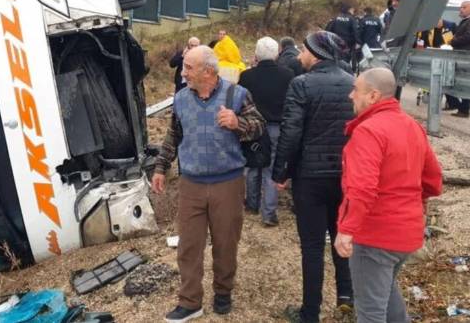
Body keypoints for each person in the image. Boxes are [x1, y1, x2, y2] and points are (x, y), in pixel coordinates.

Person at [152, 45, 265, 322]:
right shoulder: (180, 99)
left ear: (208, 71)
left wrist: (238, 122)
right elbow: (173, 136)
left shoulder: (237, 95)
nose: (183, 72)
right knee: (189, 245)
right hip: (191, 184)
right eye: (185, 67)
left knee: (226, 243)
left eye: (189, 67)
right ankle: (190, 301)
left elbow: (260, 125)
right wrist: (160, 167)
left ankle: (223, 292)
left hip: (228, 182)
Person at [334, 67, 442, 323]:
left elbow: (362, 189)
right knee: (386, 295)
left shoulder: (368, 131)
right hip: (406, 233)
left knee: (371, 312)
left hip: (376, 236)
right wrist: (415, 206)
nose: (351, 96)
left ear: (373, 96)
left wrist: (347, 229)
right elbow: (433, 180)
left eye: (355, 90)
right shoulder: (412, 126)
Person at [272, 31, 355, 323]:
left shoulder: (301, 84)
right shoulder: (353, 83)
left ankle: (310, 313)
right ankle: (347, 297)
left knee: (312, 246)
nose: (299, 56)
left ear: (316, 53)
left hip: (310, 177)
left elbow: (291, 132)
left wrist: (281, 171)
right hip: (345, 176)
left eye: (304, 50)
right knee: (342, 237)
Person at [238, 36, 295, 226]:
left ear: (256, 55)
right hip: (276, 127)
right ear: (277, 53)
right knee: (271, 169)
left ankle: (252, 204)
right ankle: (269, 213)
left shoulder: (246, 76)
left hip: (253, 127)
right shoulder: (287, 75)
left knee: (253, 165)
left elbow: (240, 103)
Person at [449, 0, 470, 118]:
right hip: (462, 55)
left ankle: (463, 109)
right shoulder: (467, 21)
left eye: (464, 7)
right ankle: (458, 107)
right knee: (454, 80)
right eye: (460, 7)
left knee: (465, 82)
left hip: (468, 56)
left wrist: (453, 41)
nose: (461, 9)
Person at [325, 4, 361, 70]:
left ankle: (337, 70)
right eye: (352, 10)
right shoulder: (351, 19)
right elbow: (355, 31)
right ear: (349, 10)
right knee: (346, 59)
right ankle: (344, 71)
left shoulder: (335, 18)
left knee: (337, 57)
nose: (353, 11)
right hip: (348, 43)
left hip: (336, 41)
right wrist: (358, 42)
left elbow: (329, 29)